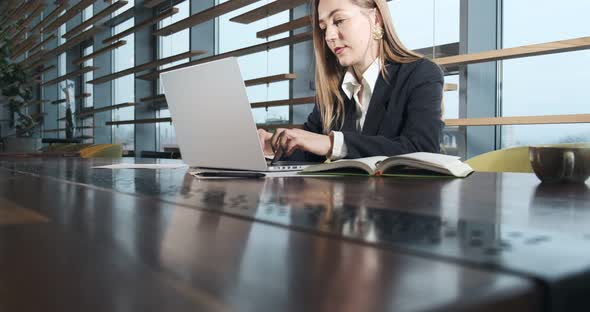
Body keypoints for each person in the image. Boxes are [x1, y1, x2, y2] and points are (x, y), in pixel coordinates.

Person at [258, 0, 444, 162]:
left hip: (401, 201)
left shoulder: (420, 74)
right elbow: (309, 152)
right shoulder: (333, 92)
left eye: (339, 21)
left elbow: (423, 150)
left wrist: (333, 143)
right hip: (347, 200)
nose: (329, 36)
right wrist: (274, 146)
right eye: (324, 28)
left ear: (376, 19)